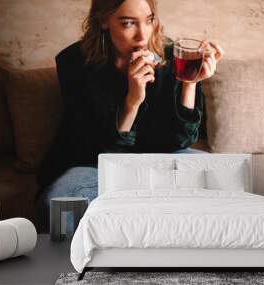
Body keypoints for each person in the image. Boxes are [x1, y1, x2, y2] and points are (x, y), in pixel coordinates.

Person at [35, 0, 224, 232]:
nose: (142, 35)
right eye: (128, 23)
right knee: (61, 205)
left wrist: (190, 83)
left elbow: (179, 142)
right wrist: (132, 101)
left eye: (149, 20)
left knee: (225, 181)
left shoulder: (171, 54)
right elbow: (92, 148)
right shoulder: (74, 62)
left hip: (157, 161)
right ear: (104, 20)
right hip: (94, 166)